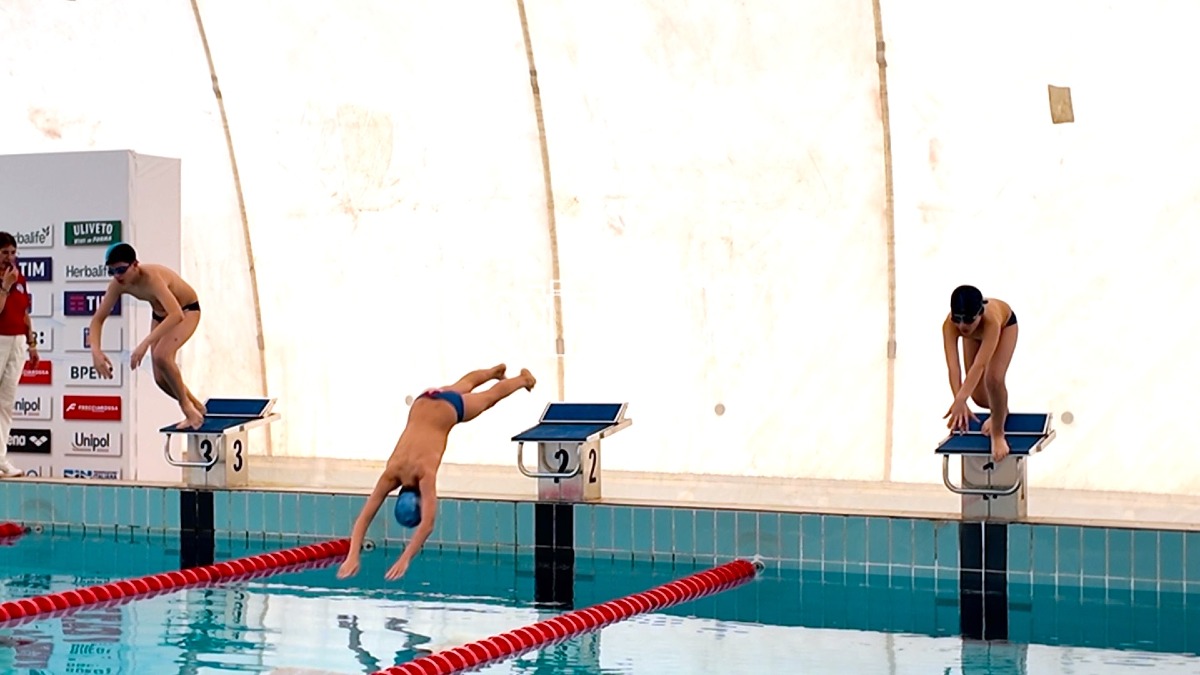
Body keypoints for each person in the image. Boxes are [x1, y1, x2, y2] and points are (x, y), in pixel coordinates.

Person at [337, 364, 537, 582]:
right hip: (424, 400)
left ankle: (523, 380)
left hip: (448, 409)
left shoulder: (423, 475)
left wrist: (405, 558)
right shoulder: (391, 471)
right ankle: (493, 373)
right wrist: (352, 554)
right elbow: (363, 518)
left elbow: (427, 524)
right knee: (463, 385)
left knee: (488, 398)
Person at [90, 243, 207, 430]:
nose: (117, 276)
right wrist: (95, 351)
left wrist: (144, 344)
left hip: (187, 310)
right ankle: (196, 407)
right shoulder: (117, 285)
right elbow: (97, 320)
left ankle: (188, 409)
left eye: (121, 270)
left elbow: (176, 314)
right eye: (111, 272)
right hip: (160, 315)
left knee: (161, 355)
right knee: (161, 380)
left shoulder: (152, 278)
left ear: (135, 265)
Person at [941, 284, 1019, 461]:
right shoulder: (949, 325)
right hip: (976, 336)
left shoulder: (990, 320)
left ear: (980, 314)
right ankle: (1001, 410)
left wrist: (961, 399)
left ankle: (998, 434)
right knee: (979, 397)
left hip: (1005, 326)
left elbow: (980, 365)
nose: (962, 326)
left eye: (968, 320)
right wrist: (959, 401)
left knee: (993, 379)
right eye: (957, 319)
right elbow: (953, 367)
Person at [0, 233, 38, 478]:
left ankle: (0, 458)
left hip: (17, 342)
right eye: (5, 253)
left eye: (14, 252)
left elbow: (24, 312)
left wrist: (32, 342)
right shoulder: (8, 279)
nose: (10, 258)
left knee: (5, 403)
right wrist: (5, 286)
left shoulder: (19, 276)